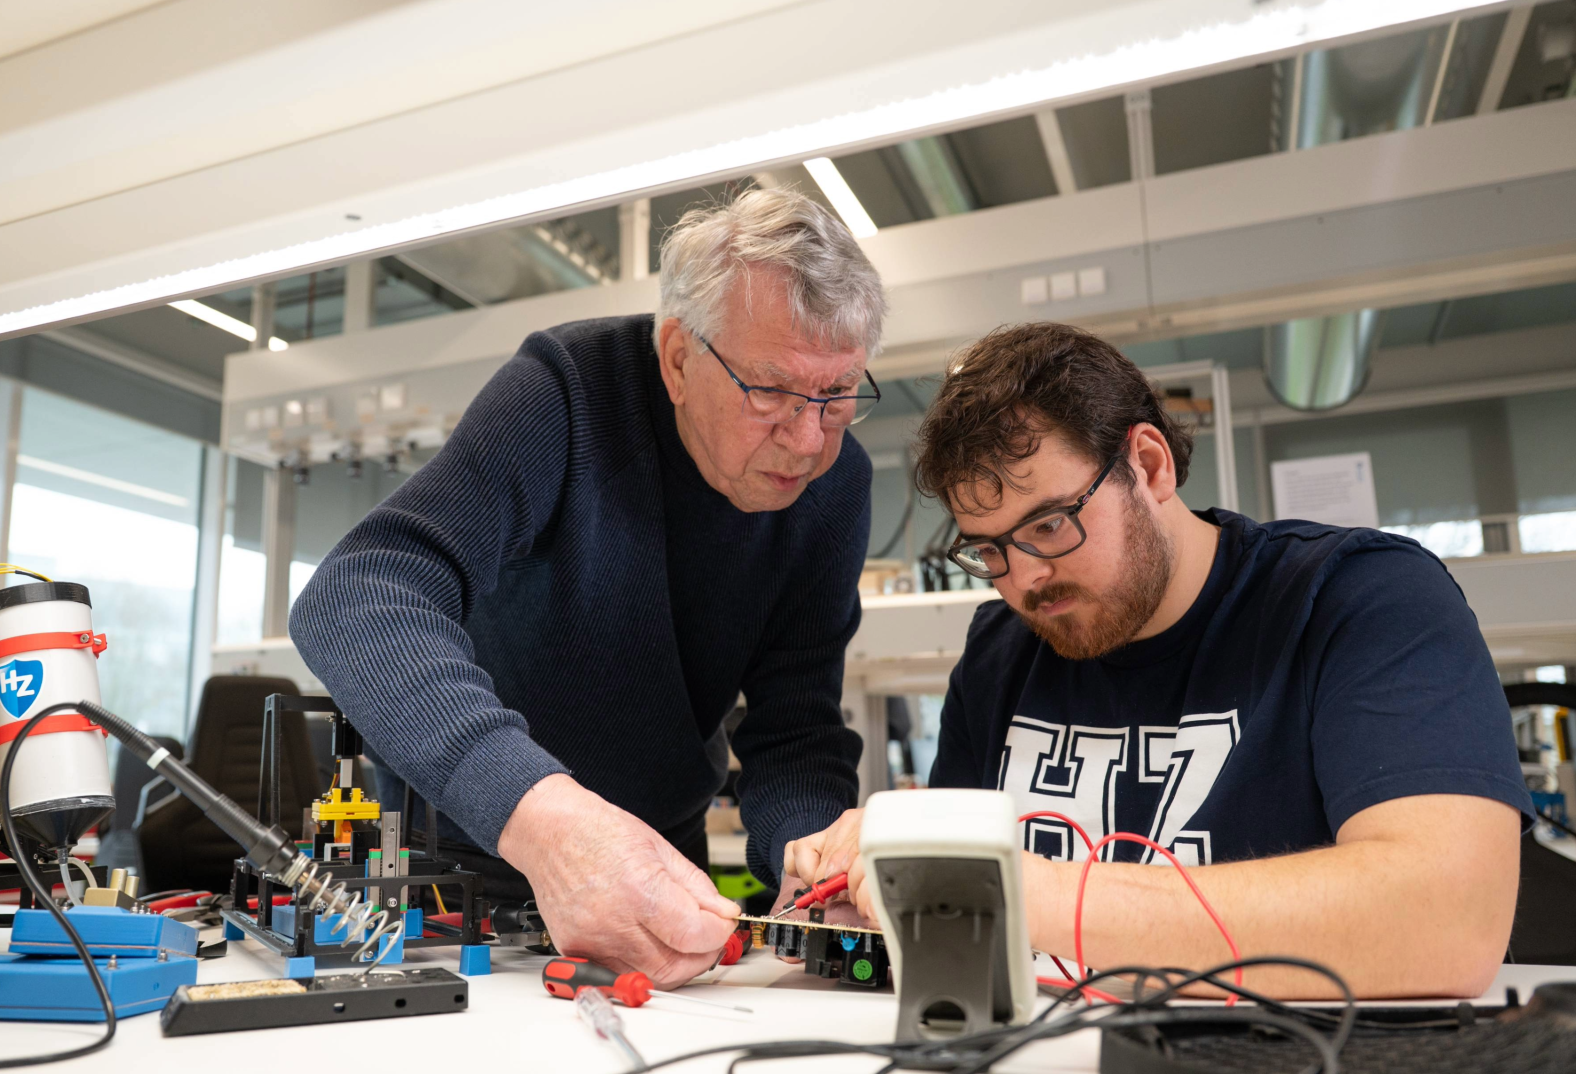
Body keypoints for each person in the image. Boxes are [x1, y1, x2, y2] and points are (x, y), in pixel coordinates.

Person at [786, 322, 1531, 998]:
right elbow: (956, 938)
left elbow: (1449, 921)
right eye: (989, 550)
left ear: (1148, 464)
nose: (1025, 580)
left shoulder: (1359, 599)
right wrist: (872, 905)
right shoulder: (1001, 652)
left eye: (1049, 524)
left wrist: (1022, 893)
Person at [290, 188, 884, 987]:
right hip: (468, 860)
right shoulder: (567, 392)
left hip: (663, 857)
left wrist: (815, 873)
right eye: (771, 392)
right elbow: (358, 591)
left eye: (837, 394)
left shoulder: (836, 486)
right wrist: (545, 819)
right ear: (679, 359)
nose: (808, 440)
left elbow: (797, 726)